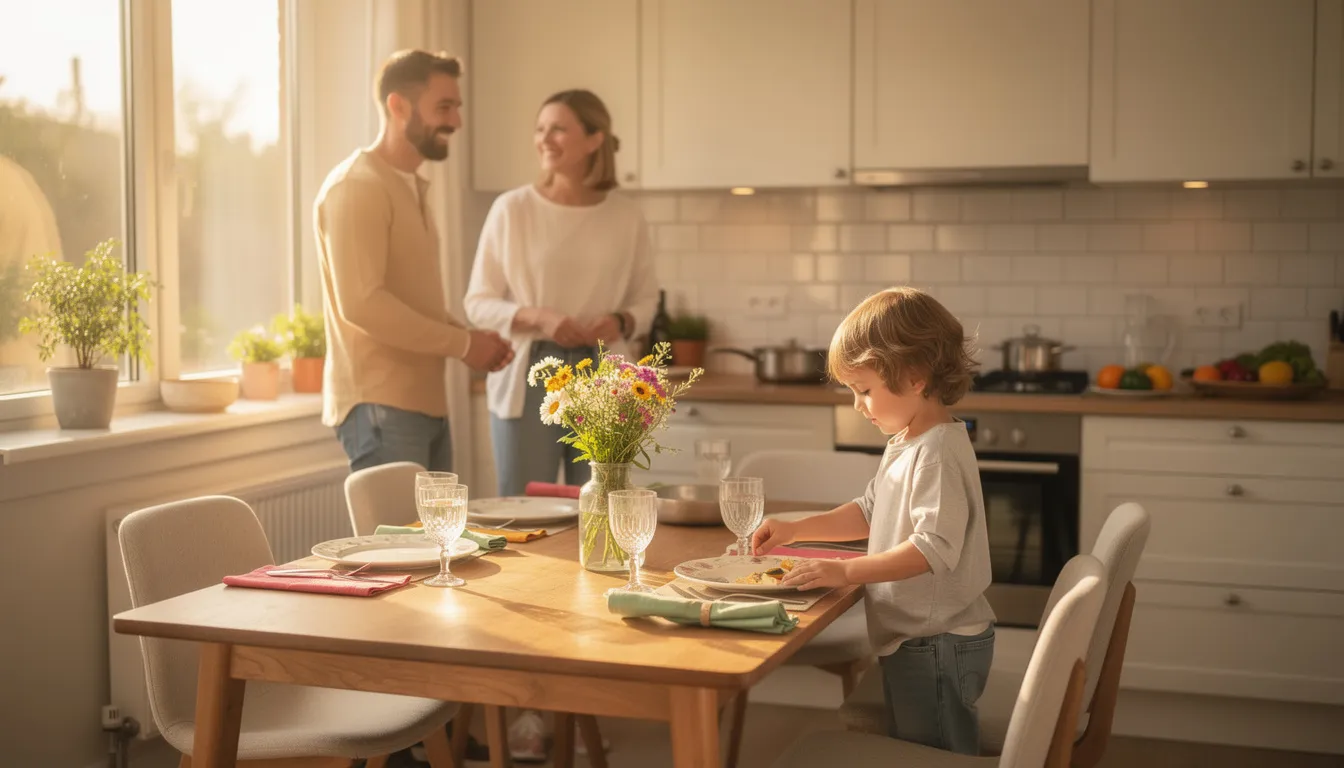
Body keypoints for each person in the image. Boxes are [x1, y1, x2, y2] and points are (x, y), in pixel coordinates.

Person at [754, 287, 997, 755]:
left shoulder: (935, 455)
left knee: (936, 756)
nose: (857, 405)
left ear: (915, 377)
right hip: (919, 637)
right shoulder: (908, 441)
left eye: (864, 390)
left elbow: (930, 549)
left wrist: (845, 571)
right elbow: (869, 510)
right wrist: (796, 528)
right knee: (917, 748)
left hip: (937, 642)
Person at [313, 49, 513, 473]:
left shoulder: (407, 187)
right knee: (398, 542)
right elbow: (364, 304)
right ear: (397, 106)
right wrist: (463, 344)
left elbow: (411, 299)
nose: (456, 121)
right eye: (444, 106)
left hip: (423, 405)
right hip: (381, 408)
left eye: (457, 107)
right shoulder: (357, 186)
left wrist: (471, 340)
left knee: (435, 541)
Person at [465, 89, 659, 497]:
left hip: (604, 375)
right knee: (522, 508)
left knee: (602, 506)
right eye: (540, 129)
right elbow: (478, 304)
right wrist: (541, 318)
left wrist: (620, 321)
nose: (544, 139)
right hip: (529, 374)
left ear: (594, 139)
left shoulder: (627, 216)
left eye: (558, 129)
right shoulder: (512, 209)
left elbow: (646, 299)